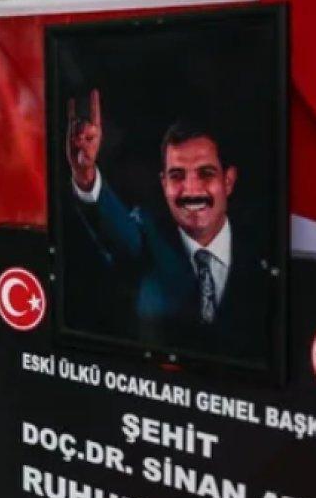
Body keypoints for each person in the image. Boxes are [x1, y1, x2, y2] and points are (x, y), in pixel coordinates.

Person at [65, 89, 266, 360]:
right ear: (164, 183)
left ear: (228, 181)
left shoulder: (261, 246)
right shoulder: (148, 234)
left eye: (206, 173)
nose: (191, 190)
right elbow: (116, 229)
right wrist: (85, 175)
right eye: (177, 175)